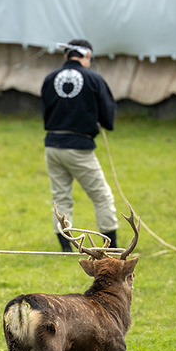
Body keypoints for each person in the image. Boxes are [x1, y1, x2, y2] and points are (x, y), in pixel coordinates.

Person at [41, 39, 119, 252]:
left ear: (66, 56)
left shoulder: (50, 78)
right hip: (79, 147)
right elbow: (108, 115)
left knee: (61, 196)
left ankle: (66, 247)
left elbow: (45, 109)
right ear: (86, 56)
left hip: (52, 145)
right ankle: (112, 247)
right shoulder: (94, 78)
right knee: (102, 196)